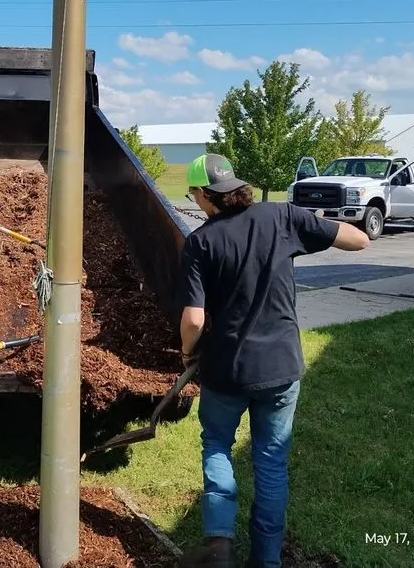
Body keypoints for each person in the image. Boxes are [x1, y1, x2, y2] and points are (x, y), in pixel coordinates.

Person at [175, 154, 369, 568]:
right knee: (270, 461)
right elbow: (358, 240)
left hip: (226, 371)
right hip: (280, 369)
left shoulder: (200, 242)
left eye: (193, 193)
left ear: (206, 195)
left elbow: (193, 319)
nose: (193, 201)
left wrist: (188, 351)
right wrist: (323, 226)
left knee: (216, 445)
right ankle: (266, 561)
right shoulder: (282, 217)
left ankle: (219, 546)